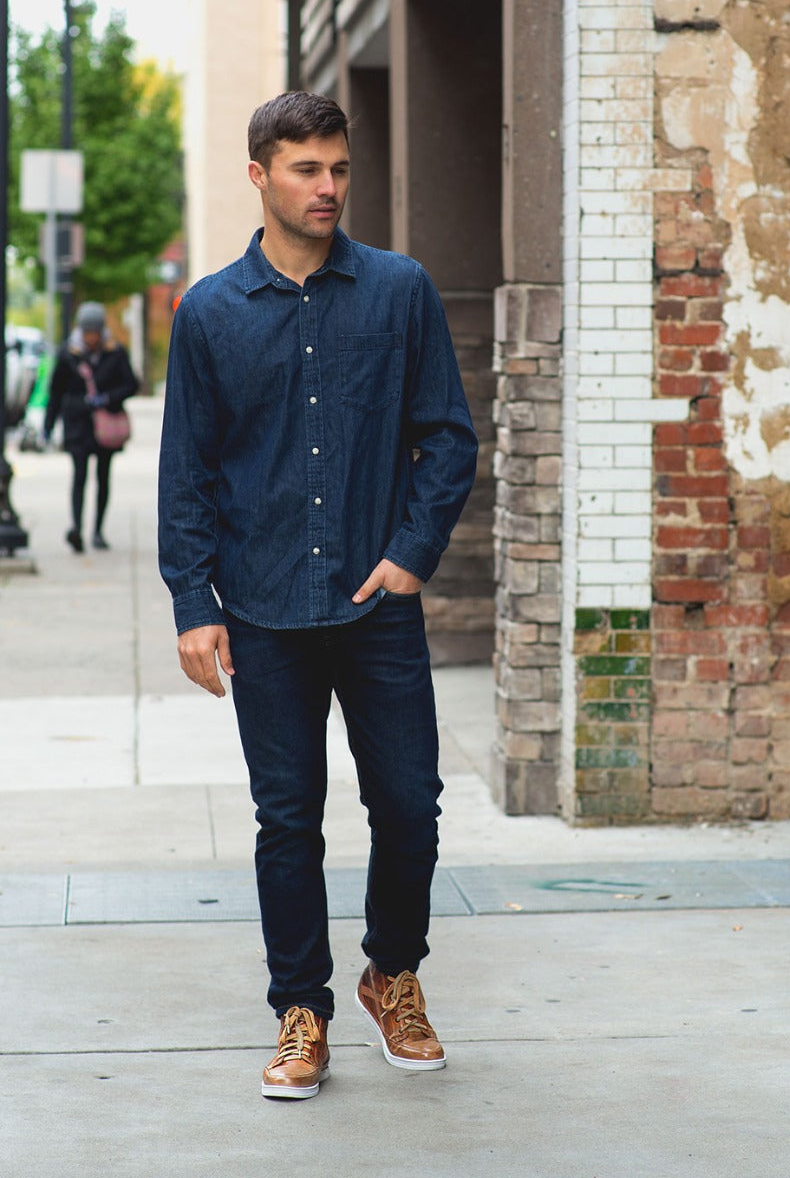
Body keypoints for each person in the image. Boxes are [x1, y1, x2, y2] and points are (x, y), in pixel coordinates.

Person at [157, 91, 478, 1100]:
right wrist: (191, 602)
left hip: (374, 603)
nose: (328, 187)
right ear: (260, 177)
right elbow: (187, 475)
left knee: (410, 807)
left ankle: (392, 972)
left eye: (338, 168)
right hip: (259, 606)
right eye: (306, 169)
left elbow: (447, 439)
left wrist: (413, 552)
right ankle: (302, 1009)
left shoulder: (399, 291)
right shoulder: (208, 312)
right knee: (287, 818)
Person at [44, 302, 139, 551]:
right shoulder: (67, 353)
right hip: (77, 423)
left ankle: (97, 530)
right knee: (79, 476)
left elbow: (131, 384)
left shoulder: (115, 352)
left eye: (95, 332)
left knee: (103, 478)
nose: (91, 337)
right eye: (87, 332)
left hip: (105, 425)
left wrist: (108, 398)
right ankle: (76, 528)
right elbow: (55, 392)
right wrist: (48, 426)